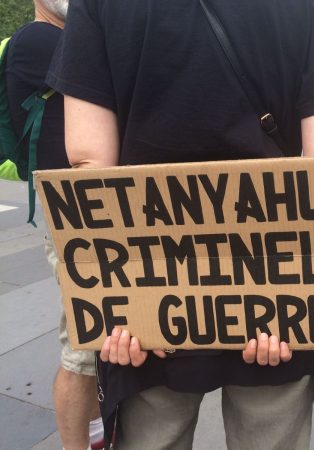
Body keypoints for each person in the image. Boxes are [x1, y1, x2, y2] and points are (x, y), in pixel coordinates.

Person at [46, 1, 314, 448]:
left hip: (150, 273)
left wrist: (117, 304)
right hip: (274, 272)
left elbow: (89, 161)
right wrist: (287, 297)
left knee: (153, 433)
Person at [6, 1, 103, 449]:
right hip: (70, 207)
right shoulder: (38, 38)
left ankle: (100, 427)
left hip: (92, 203)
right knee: (84, 340)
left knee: (100, 332)